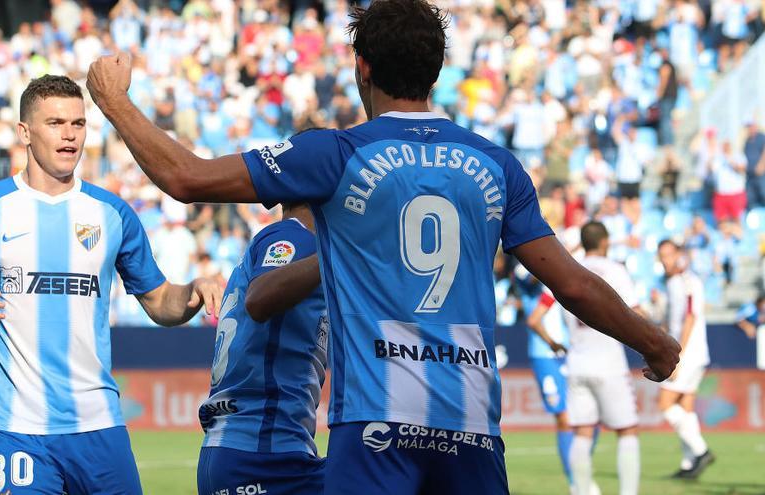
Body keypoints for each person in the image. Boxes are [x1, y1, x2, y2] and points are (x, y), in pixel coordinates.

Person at [86, 1, 680, 492]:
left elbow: (186, 178)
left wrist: (113, 100)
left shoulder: (337, 154)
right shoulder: (496, 166)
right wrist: (651, 340)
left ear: (361, 68)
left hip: (375, 429)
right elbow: (571, 284)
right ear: (438, 70)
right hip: (470, 427)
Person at [0, 75, 222, 495]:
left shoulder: (112, 213)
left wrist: (190, 291)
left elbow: (160, 302)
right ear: (24, 133)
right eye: (55, 123)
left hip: (99, 423)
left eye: (78, 124)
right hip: (17, 428)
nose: (69, 134)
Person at [198, 201, 327, 495]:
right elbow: (260, 298)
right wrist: (339, 254)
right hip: (263, 455)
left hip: (246, 451)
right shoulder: (294, 238)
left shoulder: (291, 242)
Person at [562, 222, 641, 495]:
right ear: (605, 241)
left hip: (577, 361)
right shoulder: (615, 271)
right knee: (627, 431)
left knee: (582, 433)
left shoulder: (569, 270)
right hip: (608, 361)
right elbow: (634, 312)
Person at [656, 240, 715, 479]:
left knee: (665, 403)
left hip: (688, 353)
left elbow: (690, 318)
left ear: (679, 255)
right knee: (685, 406)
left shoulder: (687, 282)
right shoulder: (673, 283)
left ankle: (701, 451)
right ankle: (689, 464)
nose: (665, 260)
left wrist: (677, 355)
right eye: (662, 256)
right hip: (694, 353)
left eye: (669, 255)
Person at [525, 286, 577, 492]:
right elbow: (533, 320)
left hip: (571, 353)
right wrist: (552, 343)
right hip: (545, 355)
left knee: (586, 417)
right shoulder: (526, 276)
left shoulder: (563, 282)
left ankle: (581, 472)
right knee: (563, 417)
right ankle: (576, 483)